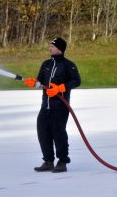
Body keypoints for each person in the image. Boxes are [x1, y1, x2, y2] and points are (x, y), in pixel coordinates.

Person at [24, 37, 81, 173]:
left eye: (53, 46)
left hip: (60, 107)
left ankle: (62, 161)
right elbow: (40, 81)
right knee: (43, 132)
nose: (50, 48)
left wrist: (61, 88)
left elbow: (76, 81)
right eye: (50, 46)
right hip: (46, 106)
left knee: (59, 133)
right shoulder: (46, 64)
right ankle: (48, 161)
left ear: (60, 49)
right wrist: (34, 82)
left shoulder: (68, 65)